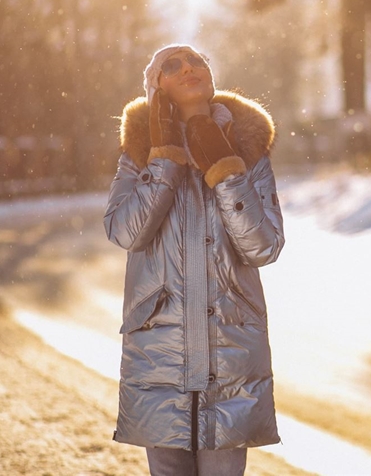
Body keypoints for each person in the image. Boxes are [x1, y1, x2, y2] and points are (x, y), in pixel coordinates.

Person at [104, 44, 285, 476]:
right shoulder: (138, 152)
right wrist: (163, 160)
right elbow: (125, 231)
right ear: (157, 85)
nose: (188, 68)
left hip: (230, 352)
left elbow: (264, 246)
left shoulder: (248, 148)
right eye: (172, 65)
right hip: (158, 353)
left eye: (197, 62)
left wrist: (226, 171)